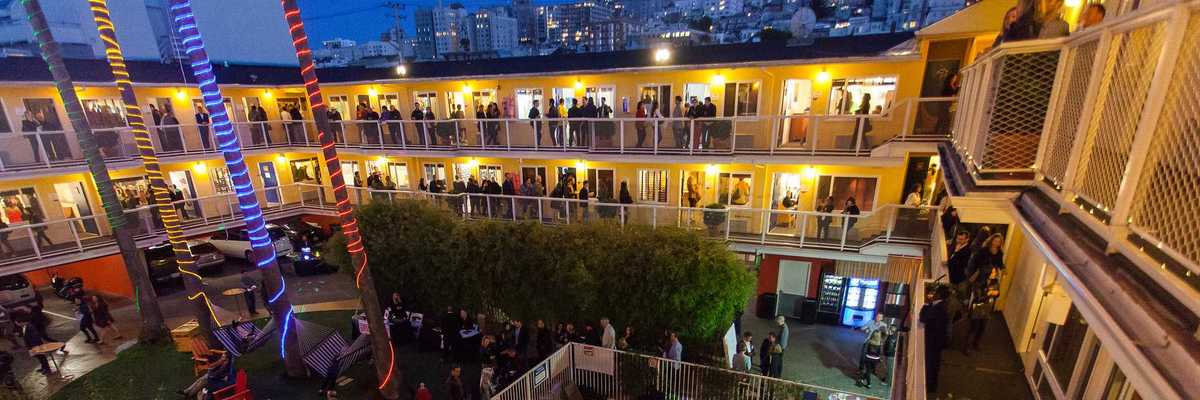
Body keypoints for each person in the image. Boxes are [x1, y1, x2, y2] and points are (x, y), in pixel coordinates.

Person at [920, 285, 951, 393]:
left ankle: (929, 387)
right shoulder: (942, 306)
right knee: (934, 364)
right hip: (937, 341)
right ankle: (931, 386)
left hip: (933, 342)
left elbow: (923, 318)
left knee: (931, 364)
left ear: (938, 295)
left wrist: (926, 304)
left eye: (935, 293)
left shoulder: (938, 309)